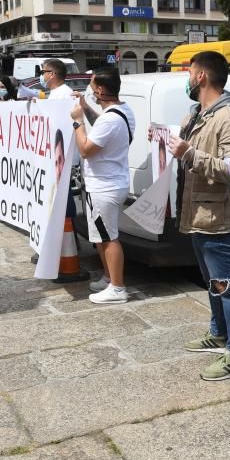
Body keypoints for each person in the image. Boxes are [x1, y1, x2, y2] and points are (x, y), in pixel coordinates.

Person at [171, 51, 230, 381]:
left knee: (227, 285)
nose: (187, 78)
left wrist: (190, 153)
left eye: (190, 71)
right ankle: (218, 333)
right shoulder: (198, 115)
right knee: (212, 282)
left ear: (201, 76)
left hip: (218, 219)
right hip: (198, 215)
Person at [71, 70, 135, 304]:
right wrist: (85, 107)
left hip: (105, 186)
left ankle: (118, 288)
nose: (89, 90)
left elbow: (86, 149)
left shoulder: (111, 118)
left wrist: (77, 121)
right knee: (99, 235)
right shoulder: (122, 110)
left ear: (99, 90)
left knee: (109, 237)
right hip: (105, 183)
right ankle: (109, 278)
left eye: (91, 86)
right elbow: (101, 126)